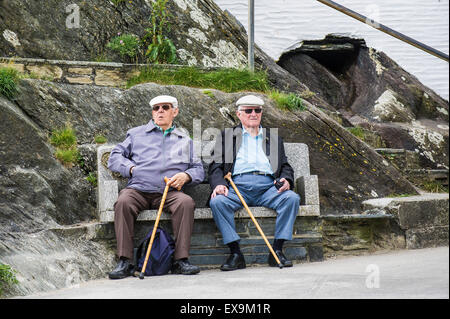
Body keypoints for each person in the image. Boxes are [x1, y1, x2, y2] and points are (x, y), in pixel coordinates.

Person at [107, 95, 204, 279]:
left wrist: (186, 176)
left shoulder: (184, 139)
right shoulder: (136, 134)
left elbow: (198, 169)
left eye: (165, 107)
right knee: (123, 202)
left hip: (169, 192)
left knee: (186, 203)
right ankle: (125, 261)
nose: (160, 111)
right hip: (138, 189)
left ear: (174, 112)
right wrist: (130, 168)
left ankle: (180, 261)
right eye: (156, 108)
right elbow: (115, 156)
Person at [208, 94, 300, 271]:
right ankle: (235, 253)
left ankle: (277, 251)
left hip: (268, 187)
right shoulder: (228, 136)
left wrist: (286, 179)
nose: (253, 114)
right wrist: (219, 184)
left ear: (261, 113)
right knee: (218, 201)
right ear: (239, 114)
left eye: (257, 110)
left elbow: (285, 166)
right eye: (248, 110)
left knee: (291, 198)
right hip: (236, 187)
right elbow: (215, 167)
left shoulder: (272, 138)